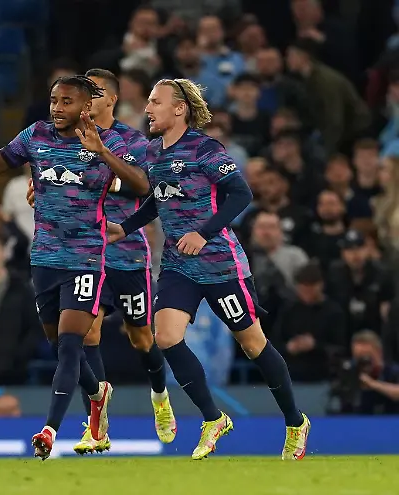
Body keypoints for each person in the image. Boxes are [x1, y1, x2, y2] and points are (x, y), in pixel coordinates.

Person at [107, 78, 311, 460]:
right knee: (165, 337)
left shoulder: (205, 148)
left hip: (220, 263)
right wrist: (127, 227)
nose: (148, 109)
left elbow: (241, 193)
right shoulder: (153, 153)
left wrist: (203, 233)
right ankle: (212, 417)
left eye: (156, 102)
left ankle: (295, 422)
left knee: (253, 345)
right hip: (177, 264)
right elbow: (158, 199)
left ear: (179, 108)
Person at [0, 74, 143, 459]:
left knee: (71, 346)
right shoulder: (35, 135)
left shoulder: (107, 141)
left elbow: (142, 185)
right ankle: (97, 394)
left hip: (86, 258)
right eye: (54, 100)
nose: (57, 108)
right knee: (60, 344)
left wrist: (103, 153)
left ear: (86, 106)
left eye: (66, 102)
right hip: (44, 257)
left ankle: (49, 430)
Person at [25, 69, 175, 454]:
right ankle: (97, 423)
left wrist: (98, 176)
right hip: (83, 255)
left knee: (142, 338)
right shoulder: (64, 138)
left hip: (125, 254)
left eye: (96, 93)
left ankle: (159, 396)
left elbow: (148, 189)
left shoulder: (131, 141)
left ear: (111, 100)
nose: (87, 99)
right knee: (83, 336)